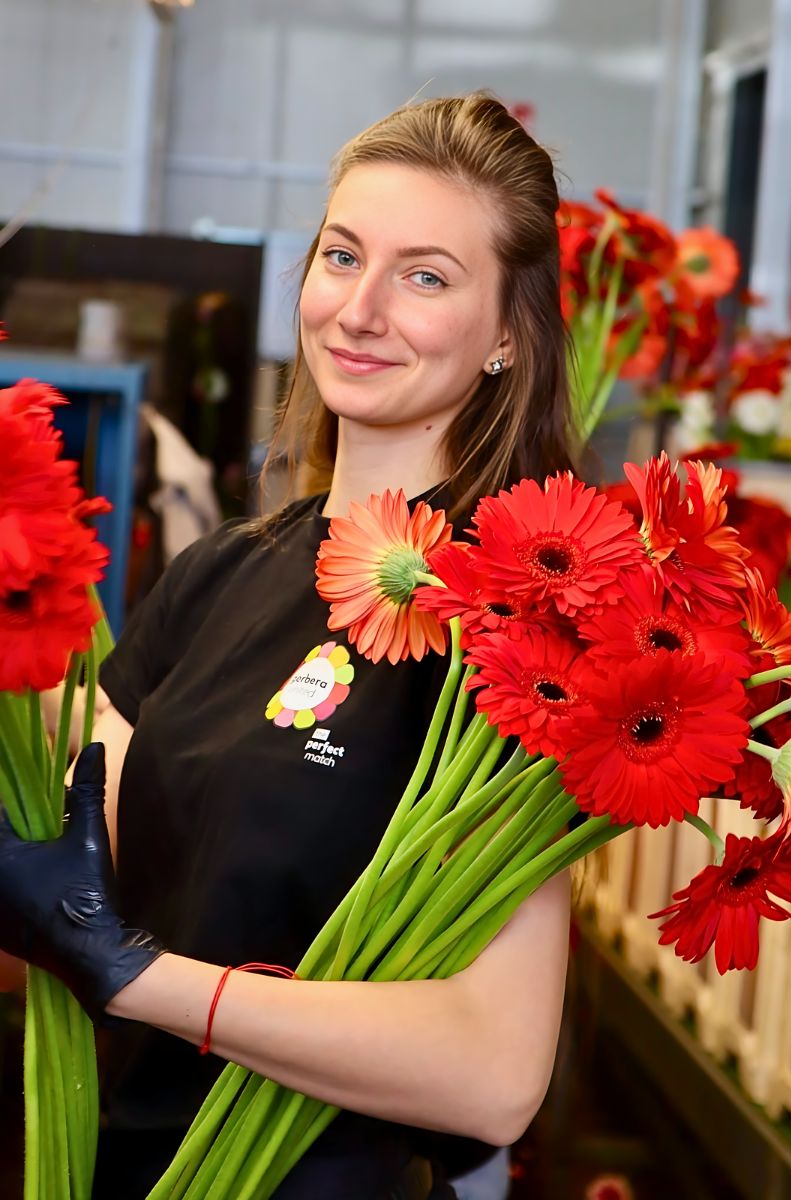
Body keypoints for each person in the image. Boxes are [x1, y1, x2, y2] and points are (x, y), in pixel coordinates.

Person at [0, 92, 576, 1200]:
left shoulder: (513, 628)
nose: (358, 311)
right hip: (112, 1167)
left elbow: (492, 1071)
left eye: (425, 276)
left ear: (508, 331)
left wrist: (141, 980)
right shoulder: (223, 569)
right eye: (340, 255)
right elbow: (88, 817)